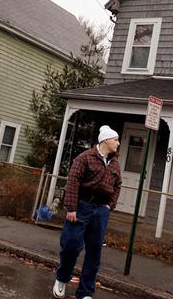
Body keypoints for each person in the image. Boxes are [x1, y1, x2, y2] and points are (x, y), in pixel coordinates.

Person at [53, 125, 122, 299]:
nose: (118, 143)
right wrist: (71, 208)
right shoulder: (85, 158)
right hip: (82, 207)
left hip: (101, 210)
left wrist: (109, 206)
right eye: (116, 140)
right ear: (106, 140)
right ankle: (62, 278)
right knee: (70, 245)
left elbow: (117, 185)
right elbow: (73, 181)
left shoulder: (115, 163)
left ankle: (85, 292)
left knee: (94, 252)